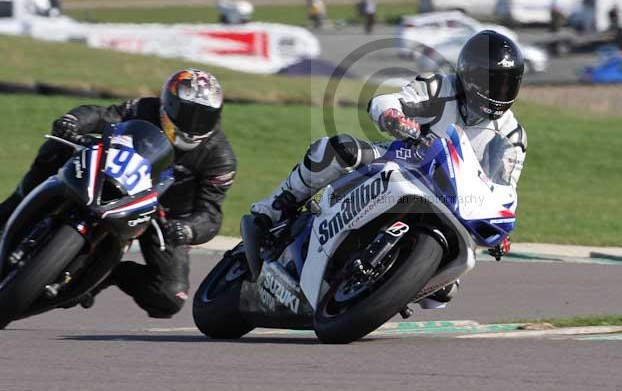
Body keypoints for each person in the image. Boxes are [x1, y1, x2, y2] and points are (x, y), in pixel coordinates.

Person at [251, 30, 527, 304]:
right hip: (405, 159)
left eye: (506, 84)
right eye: (490, 82)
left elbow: (504, 188)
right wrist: (393, 115)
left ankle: (385, 287)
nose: (497, 92)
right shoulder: (440, 87)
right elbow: (389, 100)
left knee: (444, 292)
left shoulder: (512, 135)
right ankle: (274, 208)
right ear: (469, 75)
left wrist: (502, 232)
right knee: (339, 150)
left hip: (453, 201)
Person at [0, 69, 237, 318]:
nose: (193, 123)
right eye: (186, 112)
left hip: (163, 217)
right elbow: (103, 116)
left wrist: (187, 229)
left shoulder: (220, 158)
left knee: (168, 296)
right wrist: (73, 121)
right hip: (114, 175)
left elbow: (210, 214)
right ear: (168, 104)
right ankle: (15, 205)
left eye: (204, 116)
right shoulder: (145, 108)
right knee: (58, 146)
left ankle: (106, 274)